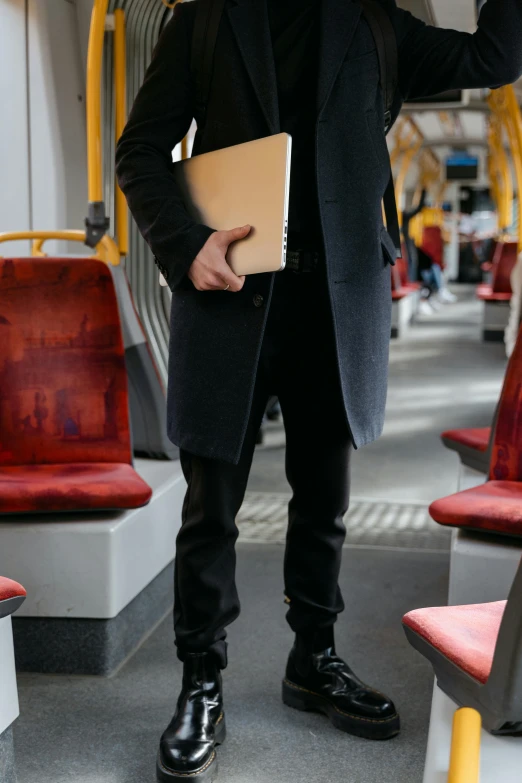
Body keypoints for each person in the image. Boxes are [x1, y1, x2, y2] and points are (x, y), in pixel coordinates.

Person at [116, 0, 522, 779]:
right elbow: (139, 152)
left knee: (325, 502)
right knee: (210, 509)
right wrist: (188, 244)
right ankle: (201, 680)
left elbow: (495, 60)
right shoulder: (203, 21)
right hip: (230, 292)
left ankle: (314, 658)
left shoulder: (375, 23)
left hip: (337, 304)